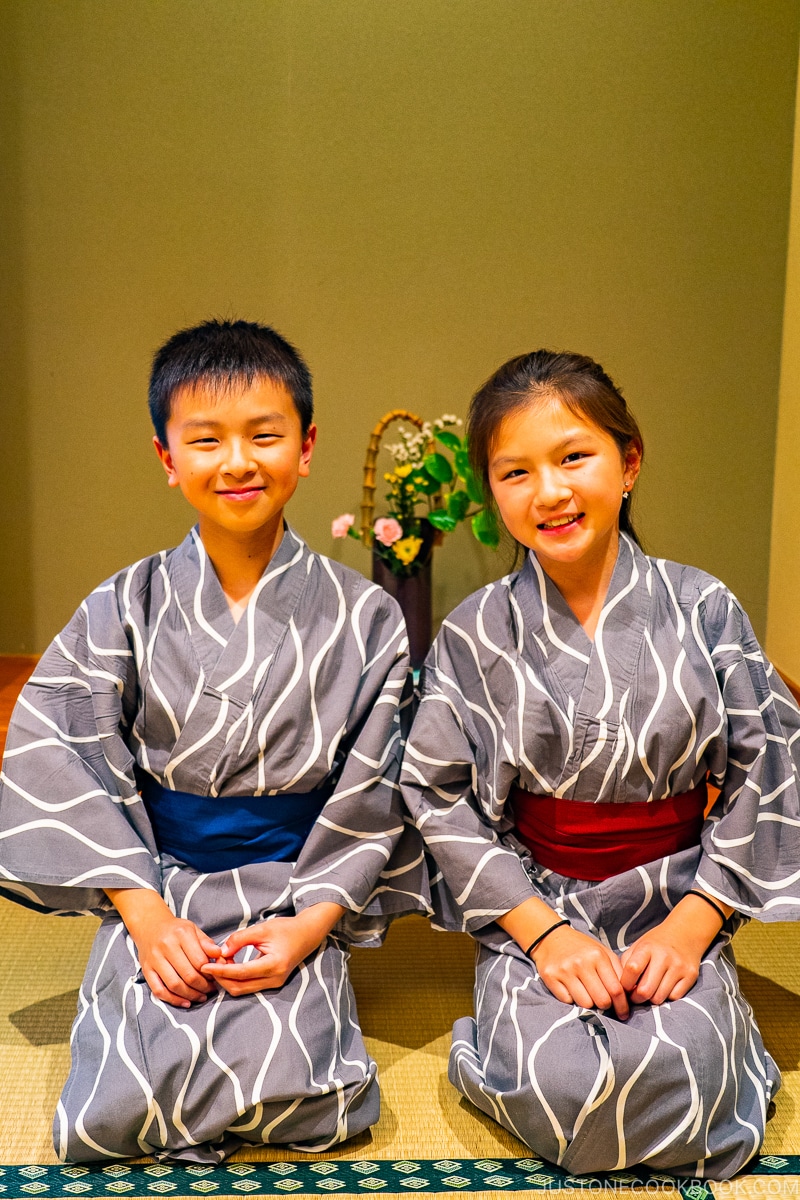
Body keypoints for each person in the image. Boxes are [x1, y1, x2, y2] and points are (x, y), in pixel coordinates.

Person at [0, 318, 427, 1163]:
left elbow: (379, 786)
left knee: (310, 1099)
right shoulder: (126, 602)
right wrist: (145, 913)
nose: (237, 462)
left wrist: (313, 922)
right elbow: (59, 749)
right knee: (117, 1106)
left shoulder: (366, 615)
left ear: (305, 449)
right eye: (206, 440)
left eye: (264, 436)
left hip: (296, 885)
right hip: (158, 882)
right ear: (167, 458)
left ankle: (297, 992)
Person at [401, 349, 800, 1181]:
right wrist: (541, 933)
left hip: (681, 893)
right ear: (492, 493)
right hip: (538, 901)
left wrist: (696, 923)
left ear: (629, 462)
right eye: (516, 471)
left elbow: (770, 760)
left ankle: (713, 1016)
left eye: (573, 456)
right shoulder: (476, 632)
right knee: (571, 1090)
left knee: (683, 1074)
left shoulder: (703, 607)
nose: (548, 491)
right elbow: (437, 793)